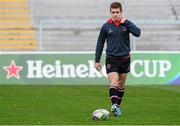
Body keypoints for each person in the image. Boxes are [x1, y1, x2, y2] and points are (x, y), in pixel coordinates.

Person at [95, 1, 141, 116]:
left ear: (121, 12)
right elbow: (100, 43)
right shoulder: (106, 26)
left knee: (121, 84)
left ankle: (117, 107)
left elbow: (138, 33)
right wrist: (97, 60)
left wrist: (126, 22)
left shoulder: (126, 24)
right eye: (113, 12)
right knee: (113, 81)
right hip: (111, 58)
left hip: (125, 58)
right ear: (110, 12)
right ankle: (114, 105)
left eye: (117, 12)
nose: (115, 14)